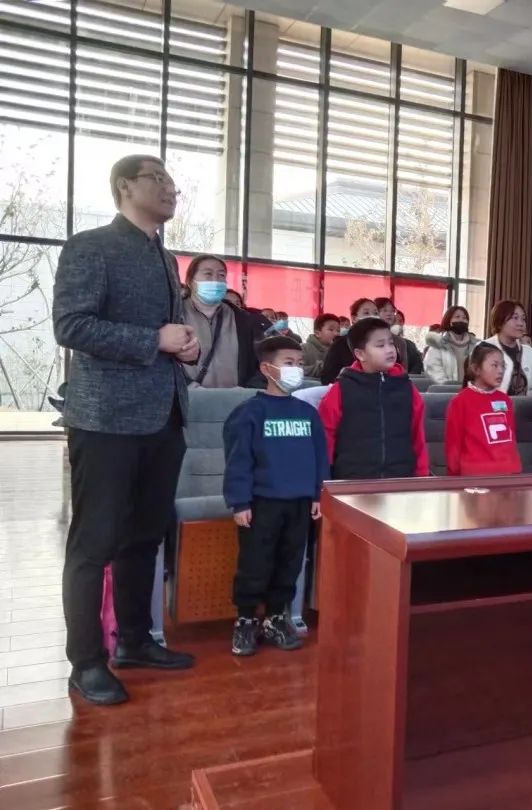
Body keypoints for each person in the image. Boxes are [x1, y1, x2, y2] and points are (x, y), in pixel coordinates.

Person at [53, 154, 197, 706]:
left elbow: (166, 333)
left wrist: (184, 346)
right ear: (123, 187)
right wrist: (153, 340)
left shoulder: (165, 256)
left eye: (171, 180)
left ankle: (135, 640)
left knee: (145, 535)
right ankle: (86, 661)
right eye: (156, 178)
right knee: (95, 541)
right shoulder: (91, 246)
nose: (169, 187)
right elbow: (72, 325)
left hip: (164, 415)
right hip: (106, 419)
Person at [222, 337, 328, 656]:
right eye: (288, 363)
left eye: (299, 363)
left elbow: (319, 458)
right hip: (262, 504)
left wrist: (318, 494)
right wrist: (240, 502)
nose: (296, 369)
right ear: (266, 369)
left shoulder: (308, 414)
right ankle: (245, 620)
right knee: (255, 564)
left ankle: (276, 617)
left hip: (299, 504)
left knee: (289, 563)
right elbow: (238, 461)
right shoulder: (249, 413)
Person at [318, 317, 430, 479]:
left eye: (391, 343)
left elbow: (418, 436)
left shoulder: (407, 388)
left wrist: (422, 475)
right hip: (352, 480)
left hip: (401, 478)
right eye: (380, 345)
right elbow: (326, 436)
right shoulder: (341, 389)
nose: (390, 350)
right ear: (360, 354)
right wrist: (324, 478)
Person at [180, 254, 263, 388]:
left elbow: (260, 363)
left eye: (221, 275)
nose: (216, 280)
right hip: (187, 397)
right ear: (190, 281)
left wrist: (247, 389)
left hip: (234, 397)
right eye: (208, 274)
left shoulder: (243, 319)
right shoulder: (175, 314)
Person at [445, 344, 523, 476]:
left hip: (509, 473)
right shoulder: (460, 402)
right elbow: (454, 445)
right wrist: (454, 479)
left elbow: (511, 438)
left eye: (503, 366)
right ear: (476, 369)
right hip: (476, 476)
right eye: (494, 365)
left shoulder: (505, 400)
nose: (501, 371)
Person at [483, 299, 532, 396]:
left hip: (526, 405)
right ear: (500, 321)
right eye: (515, 318)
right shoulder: (482, 349)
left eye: (523, 319)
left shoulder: (530, 353)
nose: (521, 323)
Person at [320, 297, 380, 384]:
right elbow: (327, 377)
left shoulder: (384, 343)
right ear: (354, 318)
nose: (372, 316)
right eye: (366, 313)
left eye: (376, 313)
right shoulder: (340, 344)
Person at [424, 306, 480, 384]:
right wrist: (448, 386)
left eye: (464, 318)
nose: (461, 320)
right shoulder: (437, 343)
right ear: (449, 321)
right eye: (457, 317)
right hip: (446, 389)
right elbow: (432, 368)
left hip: (471, 389)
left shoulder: (478, 345)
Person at [375, 297, 423, 374]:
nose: (389, 314)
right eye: (384, 310)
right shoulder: (366, 338)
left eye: (392, 311)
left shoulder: (400, 342)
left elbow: (404, 370)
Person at [302, 313, 340, 378]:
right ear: (317, 333)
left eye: (338, 330)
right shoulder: (304, 348)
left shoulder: (339, 350)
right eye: (331, 329)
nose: (336, 333)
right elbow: (298, 370)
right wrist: (321, 367)